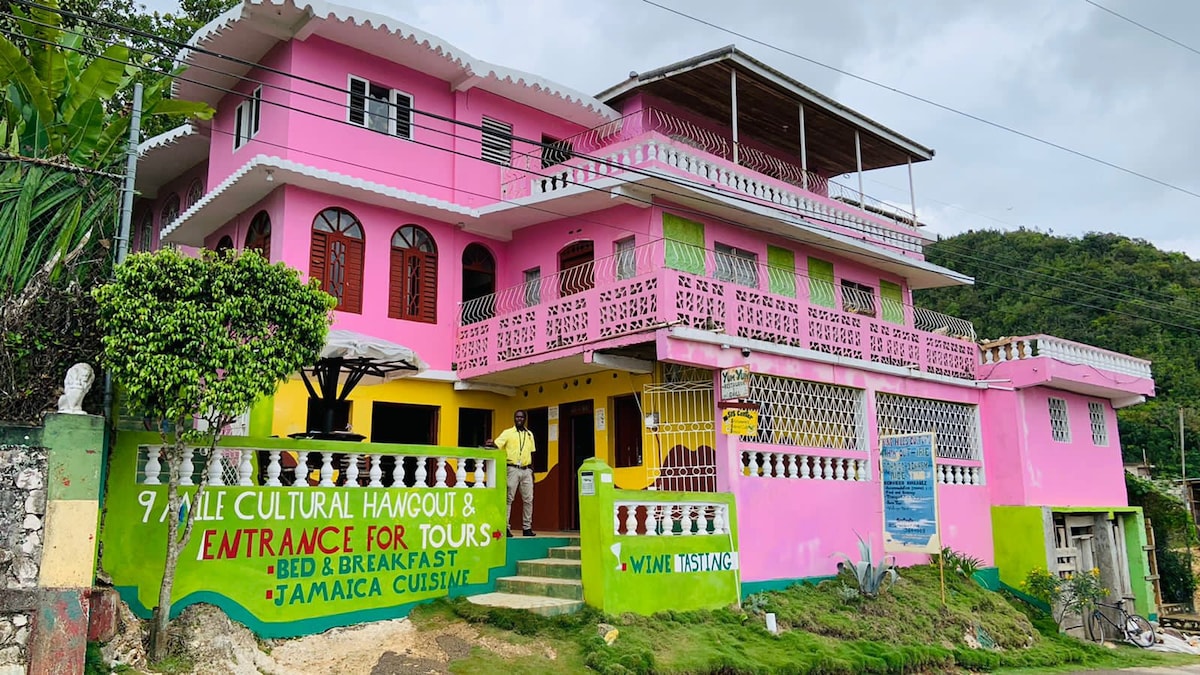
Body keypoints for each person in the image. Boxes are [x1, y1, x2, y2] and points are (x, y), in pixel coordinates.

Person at [489, 410, 537, 537]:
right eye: (517, 417)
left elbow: (532, 453)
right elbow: (497, 445)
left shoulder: (529, 435)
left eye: (521, 417)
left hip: (526, 470)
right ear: (514, 418)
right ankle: (506, 527)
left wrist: (532, 471)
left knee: (528, 500)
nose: (519, 419)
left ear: (525, 419)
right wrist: (490, 444)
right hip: (512, 468)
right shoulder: (508, 433)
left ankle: (527, 528)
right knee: (509, 498)